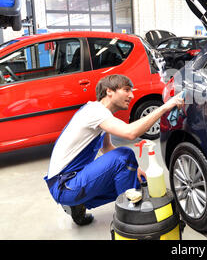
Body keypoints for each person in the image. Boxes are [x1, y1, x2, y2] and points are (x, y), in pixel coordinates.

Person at [44, 74, 184, 226]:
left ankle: (79, 205)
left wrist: (135, 169)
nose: (132, 95)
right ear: (109, 91)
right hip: (65, 185)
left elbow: (106, 147)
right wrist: (165, 107)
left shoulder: (99, 113)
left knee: (135, 176)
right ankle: (131, 219)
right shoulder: (95, 112)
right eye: (126, 90)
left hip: (69, 181)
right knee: (124, 156)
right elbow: (131, 133)